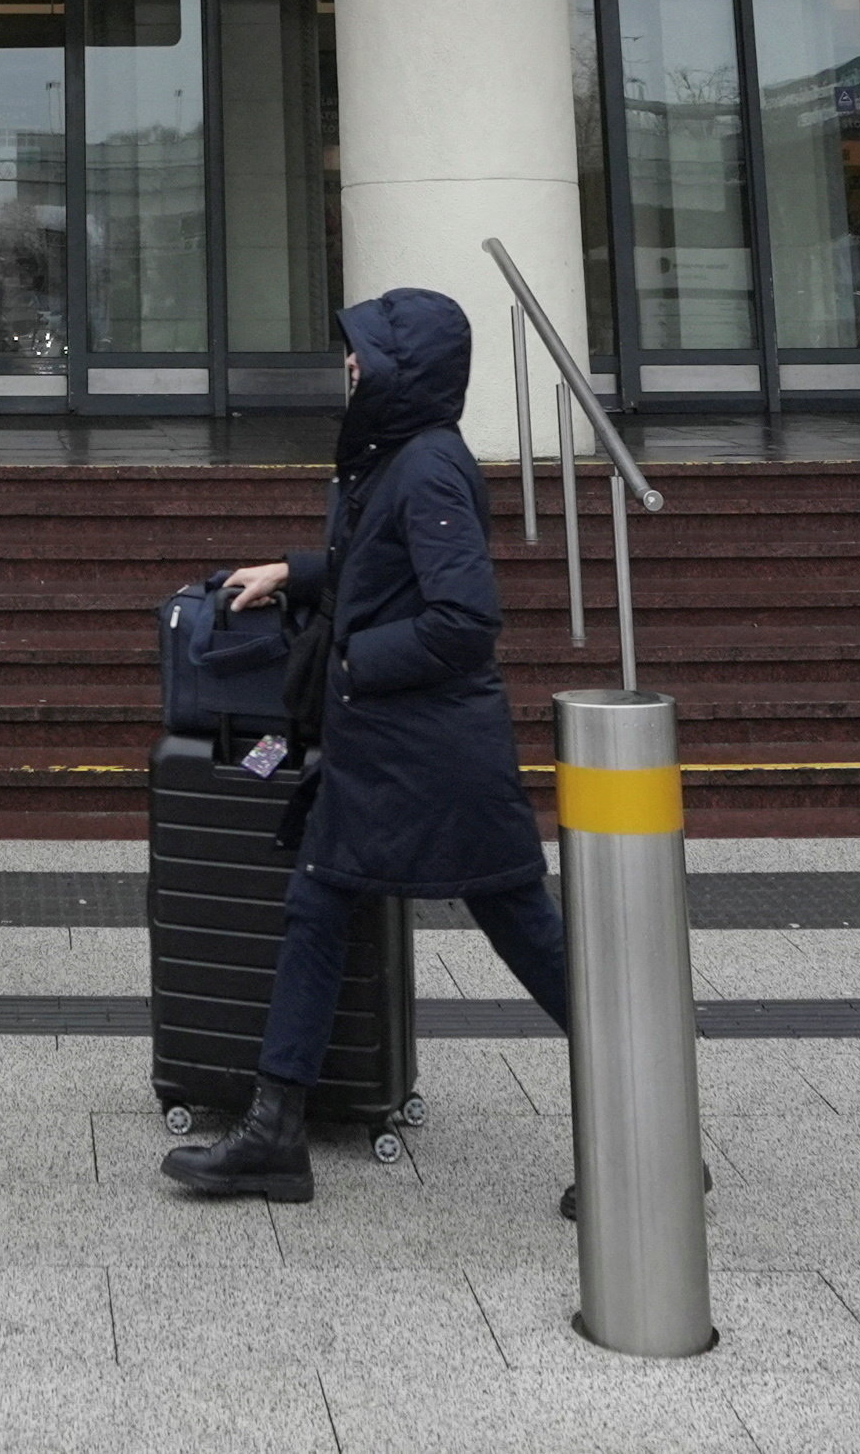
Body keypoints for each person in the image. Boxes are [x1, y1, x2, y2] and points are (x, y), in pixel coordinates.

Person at [162, 285, 571, 1206]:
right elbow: (375, 568)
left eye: (363, 353)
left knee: (529, 934)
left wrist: (350, 660)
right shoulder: (395, 460)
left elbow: (465, 619)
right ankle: (275, 1130)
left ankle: (648, 1124)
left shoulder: (426, 466)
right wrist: (293, 571)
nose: (349, 364)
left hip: (435, 753)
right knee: (317, 904)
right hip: (388, 746)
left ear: (402, 369)